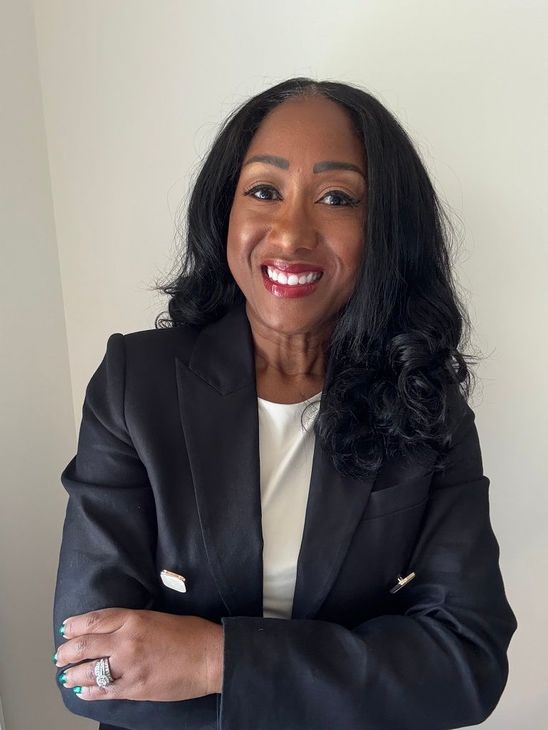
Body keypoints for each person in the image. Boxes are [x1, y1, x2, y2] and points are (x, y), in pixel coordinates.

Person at [52, 77, 517, 730]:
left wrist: (218, 658)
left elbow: (466, 664)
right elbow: (84, 670)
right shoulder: (138, 383)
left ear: (382, 229)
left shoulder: (425, 404)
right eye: (264, 190)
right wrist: (356, 677)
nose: (292, 233)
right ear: (227, 211)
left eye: (336, 197)